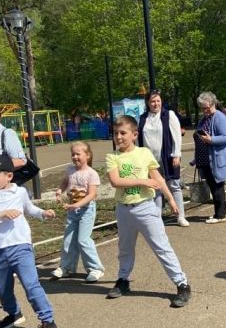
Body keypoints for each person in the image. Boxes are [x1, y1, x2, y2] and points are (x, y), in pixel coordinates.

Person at [105, 115, 191, 308]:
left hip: (146, 208)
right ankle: (123, 280)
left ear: (134, 135)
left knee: (161, 247)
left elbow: (158, 178)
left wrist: (169, 197)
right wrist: (143, 181)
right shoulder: (113, 157)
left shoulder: (144, 153)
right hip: (124, 210)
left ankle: (182, 284)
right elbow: (115, 181)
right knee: (125, 249)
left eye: (123, 133)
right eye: (115, 133)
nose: (118, 137)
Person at [0, 154, 60, 328]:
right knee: (1, 288)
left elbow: (29, 209)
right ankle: (14, 313)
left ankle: (48, 322)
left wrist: (43, 213)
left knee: (31, 285)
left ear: (9, 176)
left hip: (20, 245)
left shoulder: (20, 192)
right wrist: (2, 214)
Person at [51, 141, 105, 282]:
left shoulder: (91, 173)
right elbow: (65, 182)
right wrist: (59, 190)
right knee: (68, 239)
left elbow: (92, 194)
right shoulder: (70, 170)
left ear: (87, 155)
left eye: (78, 154)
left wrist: (77, 205)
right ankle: (66, 267)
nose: (75, 157)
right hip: (72, 210)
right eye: (73, 154)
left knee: (83, 240)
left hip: (86, 210)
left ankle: (95, 269)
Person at [137, 90, 189, 227]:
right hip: (150, 160)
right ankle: (157, 218)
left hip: (167, 156)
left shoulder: (168, 115)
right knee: (155, 188)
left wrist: (176, 153)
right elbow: (139, 139)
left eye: (158, 101)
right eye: (153, 101)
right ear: (148, 103)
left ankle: (180, 216)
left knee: (174, 185)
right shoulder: (143, 118)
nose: (156, 104)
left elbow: (177, 135)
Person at [194, 92, 226, 224]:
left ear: (213, 104)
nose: (205, 110)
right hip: (205, 158)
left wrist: (211, 139)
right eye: (203, 108)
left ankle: (219, 215)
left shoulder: (220, 117)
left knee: (217, 186)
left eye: (207, 107)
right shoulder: (204, 119)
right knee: (214, 186)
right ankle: (222, 212)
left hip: (216, 158)